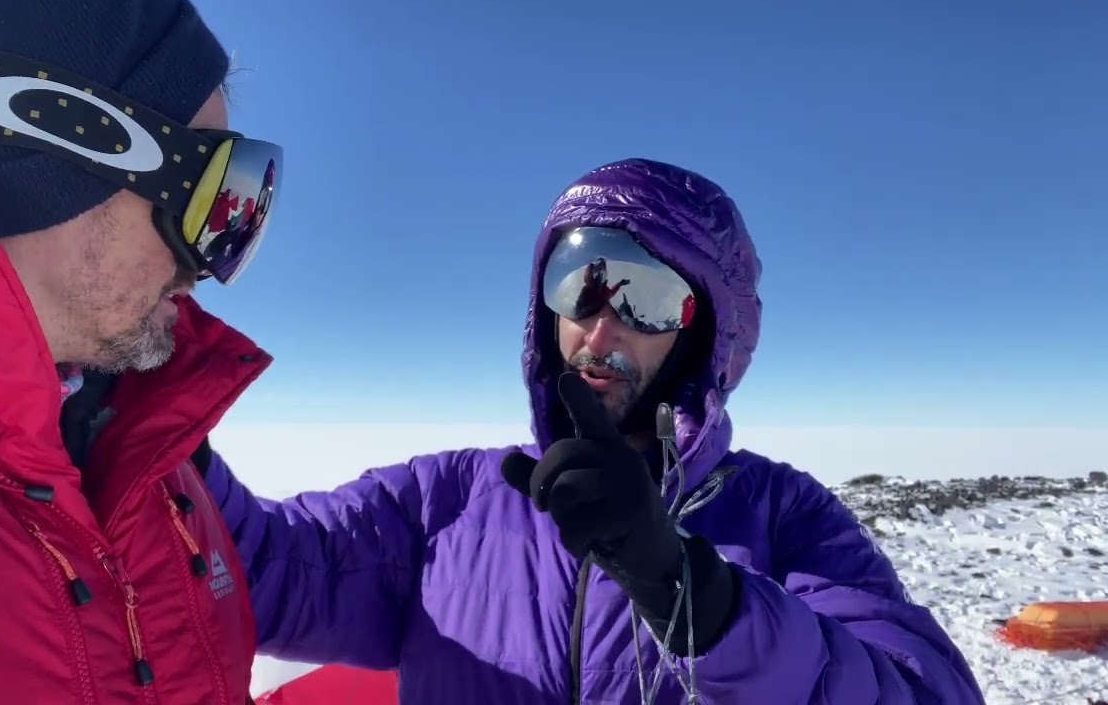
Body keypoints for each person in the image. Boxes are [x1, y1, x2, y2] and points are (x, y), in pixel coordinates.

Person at [210, 158, 988, 704]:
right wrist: (160, 438)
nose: (601, 328)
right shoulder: (446, 500)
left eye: (646, 296)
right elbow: (250, 570)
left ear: (705, 330)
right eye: (578, 283)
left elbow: (925, 692)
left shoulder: (784, 516)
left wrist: (702, 600)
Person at [0, 0, 283, 701]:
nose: (207, 267)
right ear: (53, 155)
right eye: (205, 194)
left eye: (237, 207)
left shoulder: (143, 455)